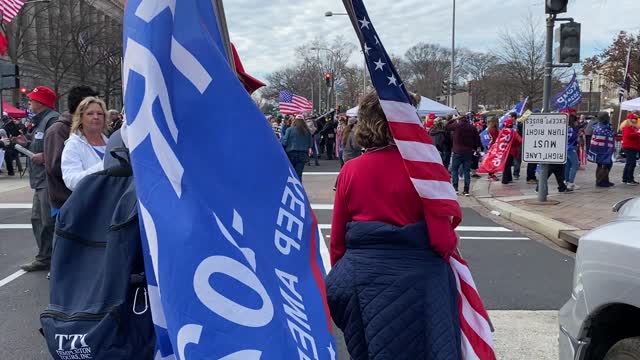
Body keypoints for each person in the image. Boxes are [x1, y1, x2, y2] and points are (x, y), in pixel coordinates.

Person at [326, 92, 461, 359]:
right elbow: (442, 242)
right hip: (418, 282)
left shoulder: (351, 170)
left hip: (362, 279)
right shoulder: (425, 169)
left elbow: (338, 243)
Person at [17, 86, 60, 272]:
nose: (29, 102)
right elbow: (39, 144)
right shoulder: (41, 121)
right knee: (38, 219)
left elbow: (58, 147)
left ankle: (49, 258)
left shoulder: (52, 120)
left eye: (32, 100)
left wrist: (45, 155)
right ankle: (45, 256)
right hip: (39, 179)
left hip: (47, 178)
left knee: (46, 221)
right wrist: (25, 143)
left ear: (41, 102)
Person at [44, 85, 100, 216]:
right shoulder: (59, 130)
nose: (96, 115)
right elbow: (56, 166)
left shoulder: (88, 130)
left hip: (85, 200)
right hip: (66, 202)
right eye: (90, 110)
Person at [61, 97, 108, 191]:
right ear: (81, 118)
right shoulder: (73, 145)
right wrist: (104, 166)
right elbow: (71, 182)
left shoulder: (112, 143)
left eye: (100, 113)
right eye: (90, 113)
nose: (96, 117)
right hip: (91, 203)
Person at [446, 114, 481, 195]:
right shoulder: (472, 127)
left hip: (457, 151)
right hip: (468, 152)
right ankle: (466, 190)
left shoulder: (456, 125)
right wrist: (477, 147)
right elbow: (477, 138)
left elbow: (447, 126)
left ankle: (455, 188)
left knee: (455, 170)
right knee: (466, 171)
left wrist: (453, 119)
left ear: (460, 119)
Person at [589, 112, 616, 188]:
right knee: (605, 165)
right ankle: (601, 181)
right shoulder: (602, 127)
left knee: (603, 164)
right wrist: (613, 133)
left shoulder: (598, 126)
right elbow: (609, 135)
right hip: (603, 150)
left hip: (601, 149)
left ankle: (604, 180)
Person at [282, 114, 312, 181]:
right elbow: (310, 144)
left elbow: (284, 142)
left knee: (290, 174)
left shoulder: (289, 130)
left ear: (294, 121)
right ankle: (299, 189)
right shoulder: (307, 131)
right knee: (299, 174)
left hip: (291, 154)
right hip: (303, 154)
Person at [564, 114, 586, 191]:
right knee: (575, 165)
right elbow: (572, 138)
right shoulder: (572, 129)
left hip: (566, 148)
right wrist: (578, 135)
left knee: (568, 165)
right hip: (571, 148)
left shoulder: (566, 128)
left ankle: (566, 181)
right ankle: (571, 183)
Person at [500, 119, 522, 184]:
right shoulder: (513, 132)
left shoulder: (502, 131)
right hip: (511, 151)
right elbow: (520, 140)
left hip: (503, 150)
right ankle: (505, 180)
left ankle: (509, 178)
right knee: (508, 165)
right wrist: (516, 145)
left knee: (506, 165)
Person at [621, 113, 640, 185]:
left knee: (629, 163)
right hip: (629, 147)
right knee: (631, 163)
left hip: (633, 147)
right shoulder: (627, 127)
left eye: (636, 119)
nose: (635, 120)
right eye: (634, 118)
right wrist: (638, 133)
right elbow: (628, 135)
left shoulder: (634, 127)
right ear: (629, 119)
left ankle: (625, 179)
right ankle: (629, 179)